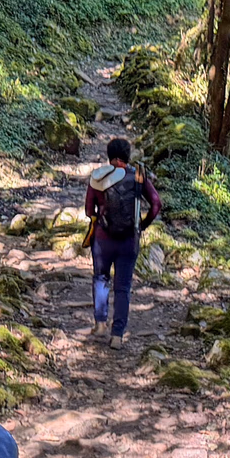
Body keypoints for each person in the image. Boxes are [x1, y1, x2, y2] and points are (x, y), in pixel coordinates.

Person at [85, 136, 162, 349]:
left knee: (101, 278)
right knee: (123, 287)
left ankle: (100, 324)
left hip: (103, 239)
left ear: (110, 156)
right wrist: (142, 225)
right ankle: (117, 335)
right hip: (129, 240)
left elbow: (88, 210)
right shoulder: (138, 176)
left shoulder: (98, 177)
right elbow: (156, 204)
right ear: (128, 157)